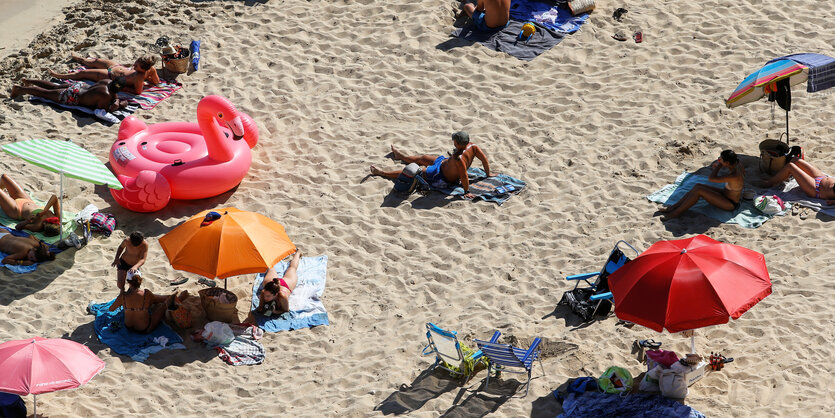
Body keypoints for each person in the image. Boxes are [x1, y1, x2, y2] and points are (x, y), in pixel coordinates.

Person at [370, 131, 491, 198]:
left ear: (458, 144)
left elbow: (464, 175)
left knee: (414, 171)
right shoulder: (473, 146)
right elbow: (484, 159)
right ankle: (401, 156)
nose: (453, 141)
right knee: (423, 158)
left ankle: (382, 173)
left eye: (454, 140)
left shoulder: (458, 158)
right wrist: (488, 173)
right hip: (443, 162)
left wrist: (466, 191)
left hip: (440, 175)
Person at [659, 150, 745, 221]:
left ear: (727, 162)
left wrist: (719, 166)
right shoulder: (737, 163)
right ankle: (674, 207)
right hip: (725, 193)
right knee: (698, 186)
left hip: (730, 203)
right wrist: (721, 164)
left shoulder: (735, 176)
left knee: (699, 191)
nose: (719, 160)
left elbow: (712, 178)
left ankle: (675, 213)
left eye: (721, 159)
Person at [108, 271, 187, 334]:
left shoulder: (123, 296)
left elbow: (111, 309)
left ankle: (175, 296)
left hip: (128, 326)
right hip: (144, 328)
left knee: (151, 303)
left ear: (128, 281)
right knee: (163, 305)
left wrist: (122, 293)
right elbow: (161, 299)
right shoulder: (146, 293)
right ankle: (180, 297)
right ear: (140, 280)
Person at [49, 52, 160, 95]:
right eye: (135, 63)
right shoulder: (149, 69)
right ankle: (80, 59)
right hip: (118, 67)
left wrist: (127, 86)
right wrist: (149, 78)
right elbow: (156, 81)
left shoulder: (139, 76)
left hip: (110, 75)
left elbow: (138, 92)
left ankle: (58, 75)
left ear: (144, 69)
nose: (134, 66)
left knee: (83, 73)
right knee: (96, 61)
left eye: (136, 66)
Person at [10, 77, 130, 112]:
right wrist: (120, 105)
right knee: (45, 93)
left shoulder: (107, 82)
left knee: (54, 86)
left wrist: (116, 99)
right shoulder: (106, 95)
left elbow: (114, 94)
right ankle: (20, 89)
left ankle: (29, 81)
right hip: (73, 96)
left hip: (79, 86)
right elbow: (103, 109)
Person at [758, 158, 835, 204]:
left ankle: (768, 183)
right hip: (822, 178)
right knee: (795, 160)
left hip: (816, 189)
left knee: (790, 166)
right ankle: (782, 175)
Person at [255, 250, 301, 316]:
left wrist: (275, 311)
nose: (265, 298)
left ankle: (298, 252)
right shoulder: (263, 292)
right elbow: (260, 307)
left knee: (292, 268)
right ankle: (265, 254)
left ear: (275, 295)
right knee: (270, 268)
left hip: (286, 285)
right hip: (273, 282)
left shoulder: (282, 296)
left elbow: (286, 310)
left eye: (268, 296)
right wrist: (261, 308)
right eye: (265, 295)